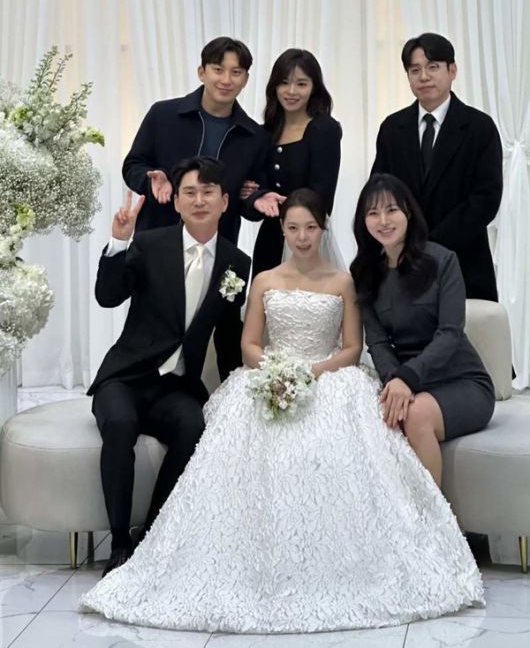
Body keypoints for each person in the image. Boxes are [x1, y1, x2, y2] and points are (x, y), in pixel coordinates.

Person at [81, 188, 483, 632]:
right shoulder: (264, 279)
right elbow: (249, 344)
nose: (302, 236)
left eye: (310, 227)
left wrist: (310, 373)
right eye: (293, 228)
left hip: (329, 379)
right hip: (271, 377)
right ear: (282, 230)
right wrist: (275, 371)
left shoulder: (346, 280)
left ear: (323, 228)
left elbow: (353, 348)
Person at [88, 156, 250, 577]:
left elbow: (227, 334)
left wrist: (239, 387)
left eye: (208, 192)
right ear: (176, 201)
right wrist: (119, 242)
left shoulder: (237, 263)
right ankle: (119, 543)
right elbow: (107, 297)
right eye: (189, 193)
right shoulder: (149, 243)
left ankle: (152, 535)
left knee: (192, 426)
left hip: (175, 387)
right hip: (125, 377)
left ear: (225, 201)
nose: (199, 200)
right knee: (120, 424)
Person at [351, 173, 495, 488]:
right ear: (364, 221)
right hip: (405, 381)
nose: (383, 221)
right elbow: (377, 342)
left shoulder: (443, 261)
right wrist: (394, 381)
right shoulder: (363, 272)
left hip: (460, 380)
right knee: (364, 418)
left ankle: (432, 516)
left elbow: (450, 333)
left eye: (392, 210)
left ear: (408, 212)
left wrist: (407, 378)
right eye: (373, 213)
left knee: (415, 415)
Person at [371, 32, 502, 301]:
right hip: (403, 262)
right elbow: (380, 191)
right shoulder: (393, 128)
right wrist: (405, 243)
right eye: (415, 70)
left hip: (464, 261)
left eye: (433, 67)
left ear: (452, 70)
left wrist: (430, 244)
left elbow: (486, 199)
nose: (424, 77)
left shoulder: (479, 127)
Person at [122, 36, 281, 242]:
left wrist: (256, 199)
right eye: (218, 70)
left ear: (246, 79)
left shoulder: (254, 136)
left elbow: (250, 197)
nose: (226, 80)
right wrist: (151, 181)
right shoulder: (163, 115)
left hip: (218, 245)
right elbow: (133, 165)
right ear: (202, 72)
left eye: (236, 72)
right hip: (157, 238)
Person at [241, 48, 342, 276]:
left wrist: (281, 209)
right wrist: (256, 197)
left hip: (306, 238)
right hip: (270, 239)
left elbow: (322, 198)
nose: (291, 91)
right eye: (284, 83)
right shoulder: (265, 132)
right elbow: (250, 194)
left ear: (314, 87)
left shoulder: (324, 129)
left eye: (301, 84)